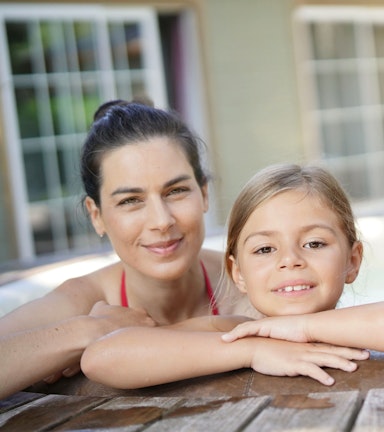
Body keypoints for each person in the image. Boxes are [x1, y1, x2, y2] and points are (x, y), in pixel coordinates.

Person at [81, 164, 384, 388]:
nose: (290, 261)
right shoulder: (233, 332)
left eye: (315, 244)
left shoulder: (369, 326)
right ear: (238, 272)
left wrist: (303, 328)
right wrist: (251, 350)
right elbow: (104, 357)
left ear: (353, 260)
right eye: (265, 249)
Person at [0, 100, 226, 399]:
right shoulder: (84, 301)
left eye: (176, 191)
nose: (161, 221)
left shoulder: (245, 280)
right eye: (130, 200)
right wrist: (86, 332)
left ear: (204, 194)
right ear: (97, 216)